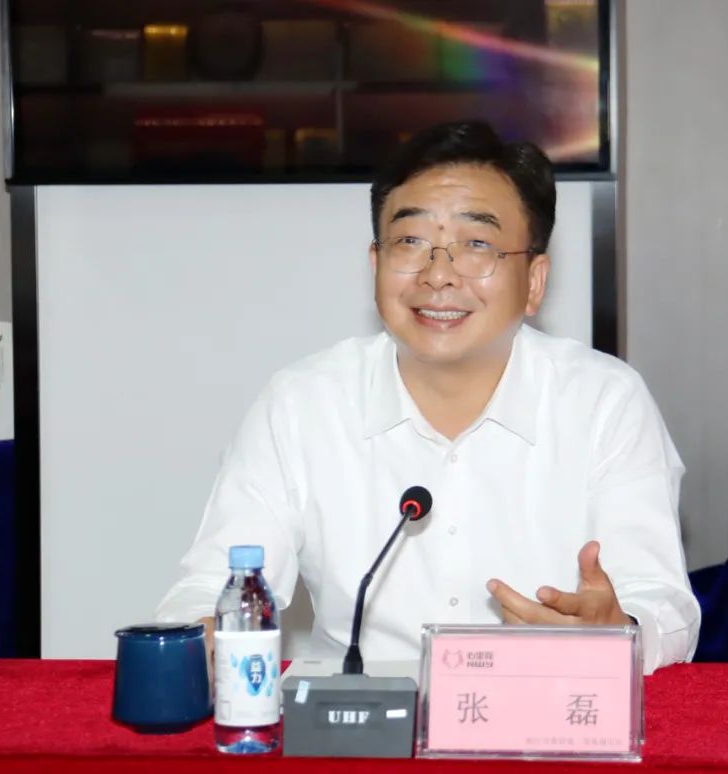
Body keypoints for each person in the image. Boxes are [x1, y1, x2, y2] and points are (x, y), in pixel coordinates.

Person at [156, 121, 700, 673]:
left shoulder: (603, 401)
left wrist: (620, 630)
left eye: (477, 245)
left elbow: (664, 605)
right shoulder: (302, 404)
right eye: (410, 243)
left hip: (542, 706)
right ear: (376, 265)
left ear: (534, 281)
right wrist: (204, 632)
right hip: (357, 718)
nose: (438, 275)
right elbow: (212, 586)